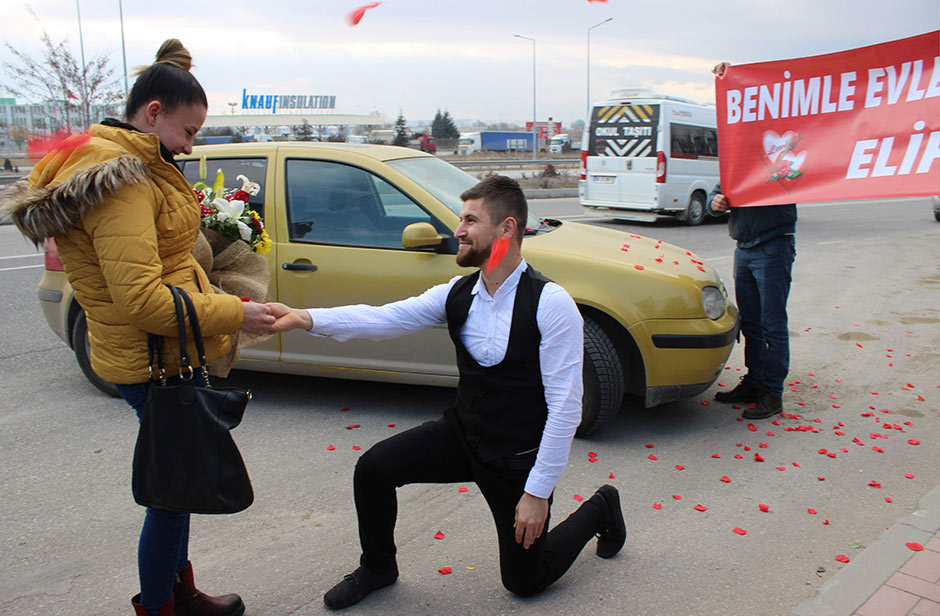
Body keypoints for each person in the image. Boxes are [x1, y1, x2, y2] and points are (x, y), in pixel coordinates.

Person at [0, 39, 274, 616]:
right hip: (153, 361)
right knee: (171, 497)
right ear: (154, 112)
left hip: (164, 356)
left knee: (178, 488)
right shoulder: (120, 180)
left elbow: (162, 259)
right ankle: (161, 606)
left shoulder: (138, 167)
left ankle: (179, 593)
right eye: (189, 130)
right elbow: (142, 299)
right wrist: (235, 311)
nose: (191, 144)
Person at [267, 175, 626, 610]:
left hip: (515, 460)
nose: (458, 230)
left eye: (470, 220)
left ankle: (601, 508)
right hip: (463, 435)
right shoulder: (458, 294)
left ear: (506, 229)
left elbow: (566, 407)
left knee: (526, 582)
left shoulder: (551, 303)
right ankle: (379, 567)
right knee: (374, 468)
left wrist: (536, 493)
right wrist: (305, 317)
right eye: (461, 219)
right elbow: (384, 319)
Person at [707, 63, 797, 420]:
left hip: (773, 247)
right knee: (752, 322)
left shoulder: (784, 158)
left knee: (773, 323)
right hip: (744, 249)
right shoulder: (737, 160)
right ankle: (755, 381)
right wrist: (717, 203)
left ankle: (773, 393)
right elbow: (720, 196)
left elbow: (793, 184)